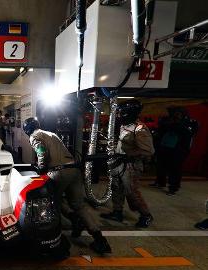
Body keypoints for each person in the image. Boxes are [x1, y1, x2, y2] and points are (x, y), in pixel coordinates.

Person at [23, 117, 111, 254]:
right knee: (79, 205)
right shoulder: (51, 133)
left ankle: (58, 236)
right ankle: (100, 239)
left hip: (59, 172)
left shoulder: (34, 136)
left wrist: (40, 167)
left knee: (52, 204)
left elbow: (41, 151)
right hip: (74, 170)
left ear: (27, 129)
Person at [101, 100, 155, 228]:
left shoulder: (140, 129)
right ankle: (117, 212)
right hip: (118, 162)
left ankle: (146, 215)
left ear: (129, 113)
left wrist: (129, 153)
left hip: (131, 165)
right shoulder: (125, 125)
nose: (119, 115)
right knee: (116, 188)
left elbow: (148, 150)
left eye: (121, 113)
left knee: (131, 192)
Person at [150, 107, 198, 195]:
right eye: (175, 113)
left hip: (178, 149)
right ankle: (160, 182)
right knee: (161, 165)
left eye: (178, 113)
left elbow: (186, 131)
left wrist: (173, 124)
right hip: (165, 146)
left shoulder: (189, 122)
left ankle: (173, 188)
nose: (176, 115)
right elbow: (162, 128)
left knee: (175, 168)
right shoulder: (169, 120)